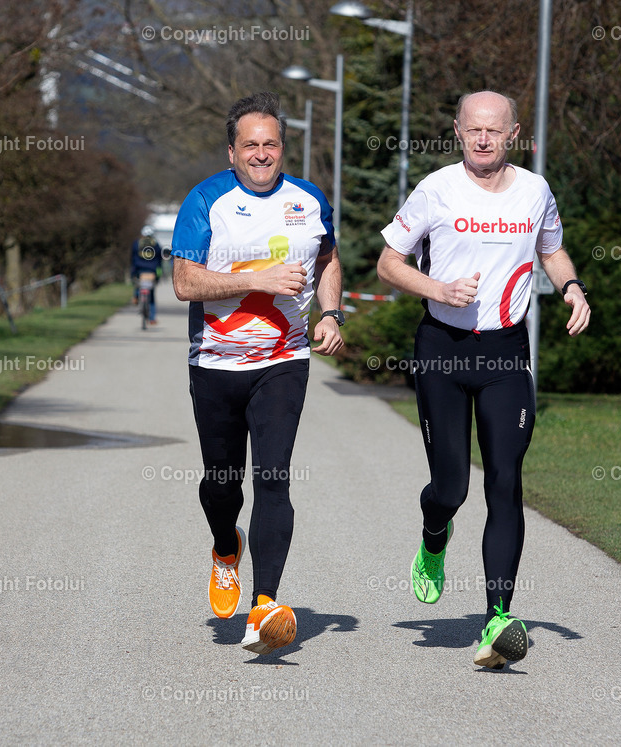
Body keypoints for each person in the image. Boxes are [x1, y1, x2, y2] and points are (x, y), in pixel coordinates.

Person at [377, 90, 590, 669]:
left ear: (514, 133)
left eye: (494, 131)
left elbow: (553, 250)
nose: (483, 140)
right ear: (457, 130)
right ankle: (434, 532)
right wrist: (437, 289)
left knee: (504, 479)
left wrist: (572, 287)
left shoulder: (534, 192)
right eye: (473, 130)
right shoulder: (437, 188)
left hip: (504, 354)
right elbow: (388, 261)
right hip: (442, 349)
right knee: (452, 487)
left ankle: (497, 617)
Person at [171, 91, 345, 655]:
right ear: (232, 152)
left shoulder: (309, 199)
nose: (262, 154)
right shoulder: (205, 201)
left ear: (282, 149)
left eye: (271, 144)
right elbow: (185, 284)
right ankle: (226, 546)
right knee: (223, 485)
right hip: (215, 364)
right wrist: (259, 281)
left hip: (283, 361)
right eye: (251, 145)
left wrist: (331, 312)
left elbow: (327, 260)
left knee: (274, 477)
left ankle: (265, 605)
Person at [130, 225, 162, 325]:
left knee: (138, 283)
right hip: (152, 271)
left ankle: (136, 295)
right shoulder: (156, 245)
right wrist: (158, 275)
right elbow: (159, 260)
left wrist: (132, 272)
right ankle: (152, 318)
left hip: (139, 270)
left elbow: (133, 258)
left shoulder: (136, 243)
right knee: (151, 294)